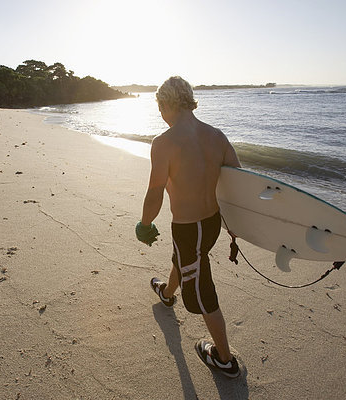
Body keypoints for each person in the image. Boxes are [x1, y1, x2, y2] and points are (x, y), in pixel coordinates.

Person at [136, 76, 241, 378]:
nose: (161, 115)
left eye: (160, 108)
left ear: (167, 104)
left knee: (203, 290)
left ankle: (224, 358)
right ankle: (168, 293)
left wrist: (144, 224)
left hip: (188, 228)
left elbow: (156, 190)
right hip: (212, 224)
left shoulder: (164, 143)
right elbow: (237, 185)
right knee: (184, 258)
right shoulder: (217, 136)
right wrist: (235, 225)